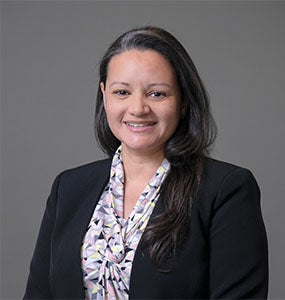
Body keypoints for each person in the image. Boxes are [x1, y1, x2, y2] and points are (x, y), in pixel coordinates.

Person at [24, 26, 268, 299]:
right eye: (122, 92)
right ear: (104, 95)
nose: (138, 108)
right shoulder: (68, 188)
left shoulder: (226, 189)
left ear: (184, 101)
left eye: (157, 94)